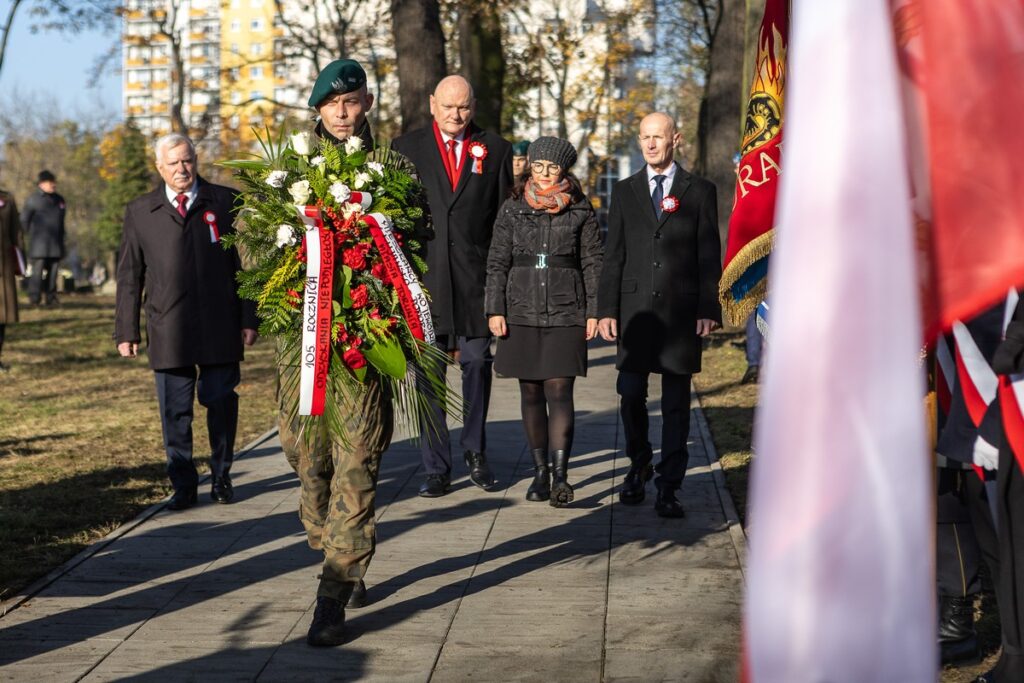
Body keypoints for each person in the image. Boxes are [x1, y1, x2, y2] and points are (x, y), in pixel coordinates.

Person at [277, 58, 406, 647]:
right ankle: (330, 545)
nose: (343, 113)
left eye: (352, 101)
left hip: (366, 339)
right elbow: (256, 253)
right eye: (332, 104)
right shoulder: (288, 172)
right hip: (303, 343)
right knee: (309, 463)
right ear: (319, 110)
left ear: (367, 103)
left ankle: (333, 591)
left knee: (357, 460)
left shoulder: (390, 168)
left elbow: (413, 241)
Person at [115, 133, 258, 512]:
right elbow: (130, 275)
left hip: (219, 323)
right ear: (160, 167)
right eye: (174, 163)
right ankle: (183, 484)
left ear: (196, 160)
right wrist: (126, 330)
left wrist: (249, 317)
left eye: (188, 160)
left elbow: (244, 266)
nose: (182, 169)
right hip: (168, 327)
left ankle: (222, 473)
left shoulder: (225, 201)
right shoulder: (140, 211)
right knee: (175, 412)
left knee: (220, 401)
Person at [392, 75, 513, 498]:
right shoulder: (404, 149)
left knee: (478, 364)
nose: (455, 115)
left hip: (476, 281)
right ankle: (435, 467)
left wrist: (501, 288)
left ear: (473, 106)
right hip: (425, 280)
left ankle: (475, 451)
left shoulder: (496, 149)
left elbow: (502, 221)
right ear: (431, 104)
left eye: (462, 107)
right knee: (428, 374)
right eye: (447, 106)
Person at [596, 112, 722, 518]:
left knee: (675, 405)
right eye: (645, 138)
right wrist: (605, 310)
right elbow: (613, 255)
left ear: (675, 140)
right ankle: (639, 464)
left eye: (659, 137)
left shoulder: (699, 190)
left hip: (681, 313)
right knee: (630, 393)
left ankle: (670, 485)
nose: (651, 144)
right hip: (635, 315)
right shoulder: (626, 190)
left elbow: (708, 253)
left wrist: (708, 308)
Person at [485, 137, 602, 507]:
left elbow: (594, 263)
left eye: (552, 167)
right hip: (520, 309)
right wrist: (495, 309)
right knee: (531, 392)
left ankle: (562, 475)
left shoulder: (580, 209)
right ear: (529, 167)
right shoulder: (512, 208)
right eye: (538, 166)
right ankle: (540, 472)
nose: (545, 173)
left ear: (564, 169)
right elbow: (497, 261)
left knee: (559, 390)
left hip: (567, 311)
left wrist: (595, 312)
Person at [22, 170, 65, 306]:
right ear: (41, 184)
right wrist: (27, 238)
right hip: (39, 245)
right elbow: (24, 221)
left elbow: (62, 222)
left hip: (56, 243)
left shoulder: (59, 200)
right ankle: (35, 298)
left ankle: (51, 297)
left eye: (54, 182)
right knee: (37, 273)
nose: (53, 185)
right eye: (50, 182)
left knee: (53, 274)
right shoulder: (33, 200)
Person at [0, 185, 22, 372]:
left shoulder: (7, 199)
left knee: (2, 316)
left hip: (4, 265)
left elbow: (16, 232)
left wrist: (20, 261)